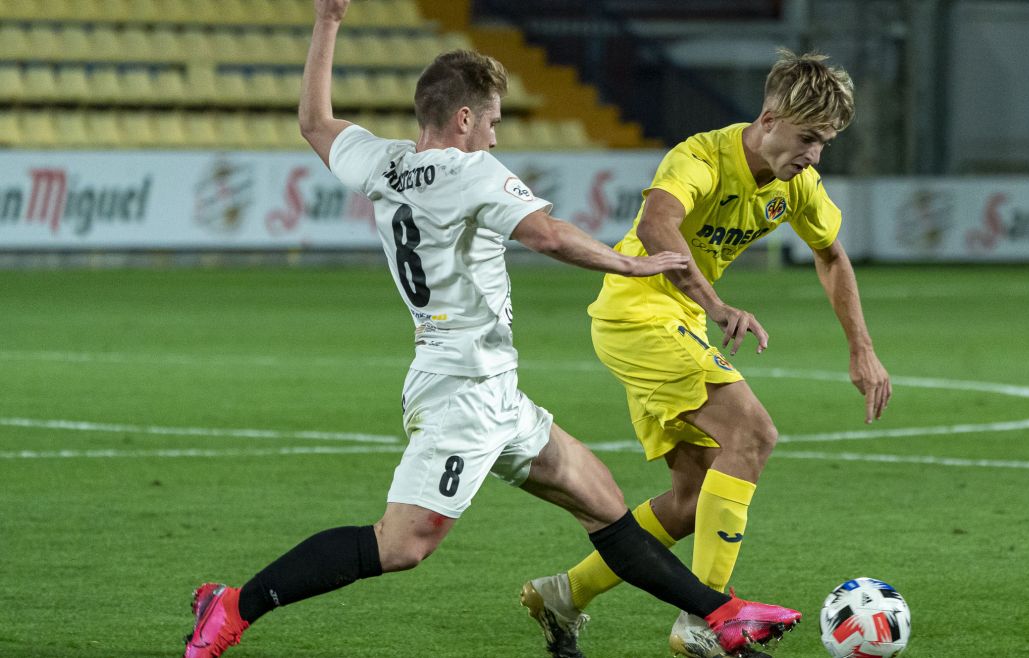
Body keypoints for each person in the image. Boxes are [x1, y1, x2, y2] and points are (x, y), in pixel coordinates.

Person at [183, 2, 803, 657]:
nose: (497, 138)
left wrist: (329, 22)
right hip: (462, 391)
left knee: (604, 507)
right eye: (494, 122)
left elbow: (313, 121)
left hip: (489, 389)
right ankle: (231, 606)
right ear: (464, 119)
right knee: (402, 545)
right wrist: (631, 261)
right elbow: (548, 234)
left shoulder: (382, 162)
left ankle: (723, 615)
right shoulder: (468, 169)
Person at [520, 50, 892, 658]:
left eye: (825, 143)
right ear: (769, 118)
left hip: (675, 320)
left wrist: (863, 351)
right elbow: (657, 225)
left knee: (694, 500)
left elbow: (830, 254)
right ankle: (710, 622)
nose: (815, 155)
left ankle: (563, 594)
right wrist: (718, 306)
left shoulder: (796, 184)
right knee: (752, 433)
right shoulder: (700, 157)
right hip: (638, 312)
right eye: (808, 138)